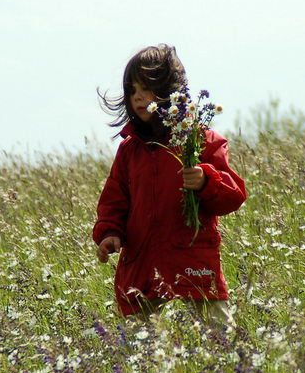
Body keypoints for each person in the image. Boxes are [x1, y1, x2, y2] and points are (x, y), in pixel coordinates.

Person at [93, 44, 247, 324]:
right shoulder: (130, 150)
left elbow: (233, 196)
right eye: (132, 91)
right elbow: (114, 200)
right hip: (141, 265)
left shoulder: (200, 140)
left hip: (194, 263)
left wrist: (205, 180)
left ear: (170, 90)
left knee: (219, 341)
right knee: (140, 351)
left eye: (146, 88)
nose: (138, 97)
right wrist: (109, 233)